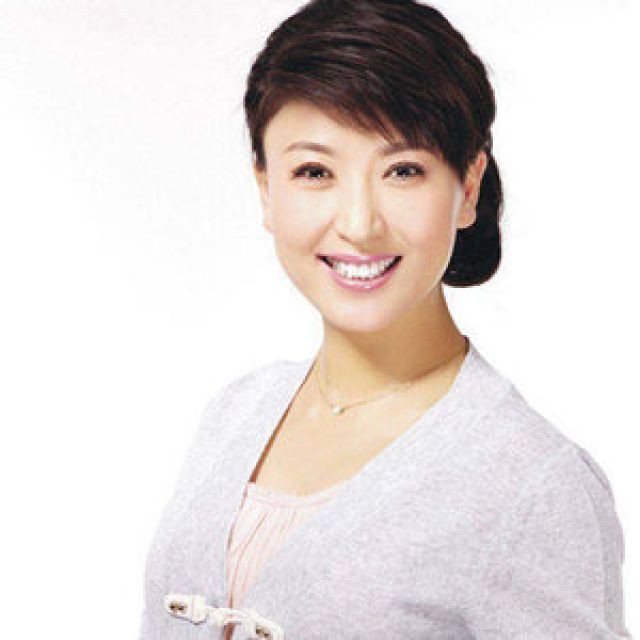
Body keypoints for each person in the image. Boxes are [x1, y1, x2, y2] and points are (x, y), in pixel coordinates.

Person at [140, 1, 631, 637]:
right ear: (266, 189)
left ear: (468, 188)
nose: (360, 223)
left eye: (403, 171)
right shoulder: (234, 413)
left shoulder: (536, 485)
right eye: (314, 171)